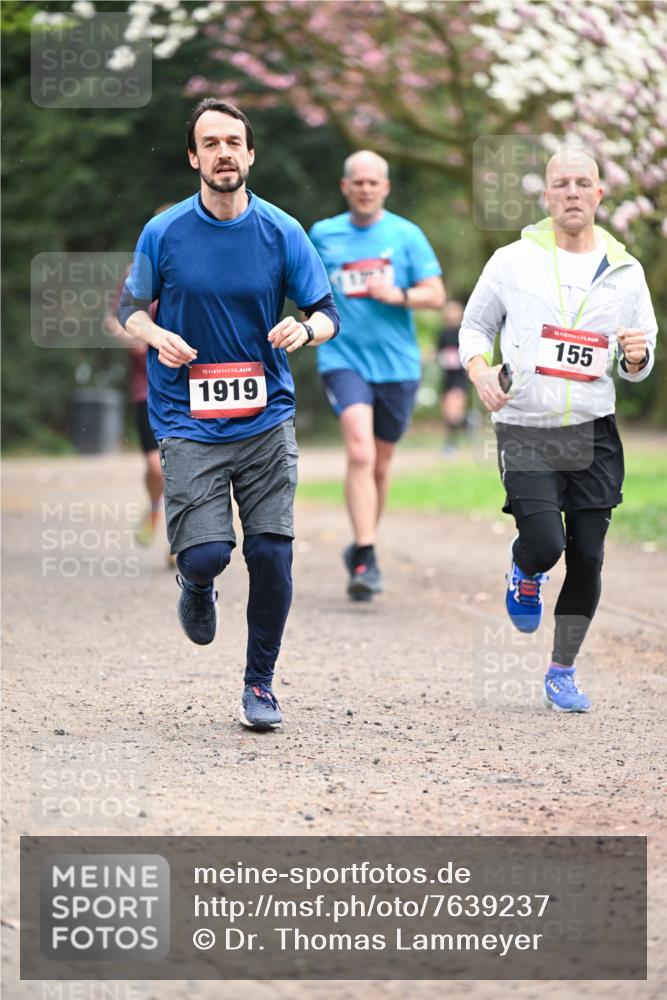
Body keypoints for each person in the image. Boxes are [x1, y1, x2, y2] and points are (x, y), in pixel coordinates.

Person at [116, 99, 339, 729]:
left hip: (266, 417)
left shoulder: (282, 231)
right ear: (193, 157)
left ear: (250, 153)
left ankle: (259, 684)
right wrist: (155, 335)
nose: (223, 153)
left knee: (271, 553)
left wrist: (306, 330)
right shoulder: (164, 232)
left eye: (233, 142)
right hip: (187, 419)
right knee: (207, 554)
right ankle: (195, 584)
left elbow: (327, 310)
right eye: (210, 143)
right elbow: (129, 308)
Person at [459, 147, 658, 713]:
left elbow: (639, 356)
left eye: (583, 183)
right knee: (548, 544)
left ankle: (562, 671)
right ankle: (525, 567)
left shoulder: (626, 270)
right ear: (546, 196)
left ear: (599, 194)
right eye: (562, 183)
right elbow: (475, 328)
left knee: (588, 556)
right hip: (527, 425)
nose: (572, 192)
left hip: (593, 428)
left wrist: (638, 357)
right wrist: (480, 372)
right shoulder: (512, 260)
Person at [309, 151, 445, 601]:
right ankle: (367, 556)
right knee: (360, 451)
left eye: (374, 182)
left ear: (385, 188)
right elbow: (302, 284)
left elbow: (436, 294)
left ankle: (361, 544)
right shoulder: (323, 235)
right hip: (342, 357)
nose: (366, 189)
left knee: (381, 465)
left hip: (397, 365)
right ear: (345, 187)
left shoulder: (406, 235)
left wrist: (399, 294)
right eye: (358, 182)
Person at [105, 204, 174, 561]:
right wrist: (140, 337)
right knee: (154, 467)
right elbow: (115, 321)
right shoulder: (135, 274)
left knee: (186, 464)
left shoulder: (197, 269)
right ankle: (154, 506)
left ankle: (181, 540)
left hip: (187, 386)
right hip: (146, 387)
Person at [435, 299, 469, 454]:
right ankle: (468, 421)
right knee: (448, 412)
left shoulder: (464, 332)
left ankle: (450, 444)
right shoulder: (442, 333)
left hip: (460, 377)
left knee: (452, 411)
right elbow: (439, 353)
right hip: (447, 377)